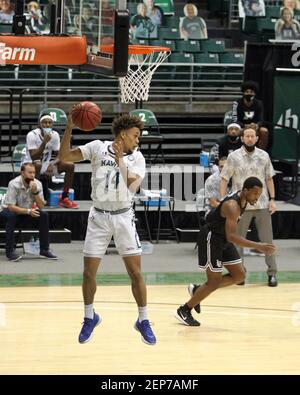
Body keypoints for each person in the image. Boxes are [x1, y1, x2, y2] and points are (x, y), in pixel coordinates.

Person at [59, 112, 156, 346]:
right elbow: (64, 157)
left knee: (136, 273)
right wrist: (70, 129)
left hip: (123, 217)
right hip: (99, 217)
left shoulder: (137, 158)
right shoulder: (97, 147)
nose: (138, 140)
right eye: (135, 136)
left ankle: (143, 320)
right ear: (123, 134)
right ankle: (89, 316)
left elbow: (132, 185)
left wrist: (121, 159)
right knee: (88, 273)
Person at [175, 177, 276, 326]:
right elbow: (233, 236)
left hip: (223, 239)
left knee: (239, 275)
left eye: (259, 194)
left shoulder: (244, 199)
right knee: (213, 282)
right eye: (255, 194)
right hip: (212, 238)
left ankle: (198, 290)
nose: (257, 197)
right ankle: (184, 310)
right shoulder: (232, 205)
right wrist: (259, 246)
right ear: (246, 190)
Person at [220, 127, 278, 287]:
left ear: (257, 138)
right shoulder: (233, 156)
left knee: (267, 240)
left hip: (262, 203)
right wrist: (223, 200)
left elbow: (269, 178)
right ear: (242, 138)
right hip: (240, 206)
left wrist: (273, 199)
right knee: (237, 241)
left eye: (253, 136)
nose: (250, 138)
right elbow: (224, 178)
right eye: (247, 136)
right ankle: (240, 273)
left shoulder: (264, 156)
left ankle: (272, 273)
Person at [0, 163, 58, 261]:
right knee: (11, 216)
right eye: (29, 172)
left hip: (26, 212)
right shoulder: (14, 183)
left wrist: (35, 192)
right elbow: (10, 207)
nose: (32, 175)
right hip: (7, 212)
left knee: (44, 215)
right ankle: (9, 252)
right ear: (22, 173)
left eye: (34, 173)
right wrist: (28, 211)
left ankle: (44, 250)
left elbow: (41, 206)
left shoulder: (38, 184)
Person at [23, 114, 78, 208]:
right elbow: (33, 156)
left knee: (70, 165)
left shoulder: (55, 135)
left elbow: (60, 155)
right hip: (29, 165)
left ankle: (64, 197)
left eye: (50, 122)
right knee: (38, 164)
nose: (47, 125)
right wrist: (44, 142)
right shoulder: (32, 135)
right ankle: (33, 200)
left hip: (45, 165)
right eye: (45, 123)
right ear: (40, 124)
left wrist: (53, 163)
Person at [232, 80, 269, 150]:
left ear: (254, 94)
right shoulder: (236, 103)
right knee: (235, 131)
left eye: (251, 92)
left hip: (254, 127)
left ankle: (261, 153)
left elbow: (261, 119)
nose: (249, 94)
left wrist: (257, 125)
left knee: (264, 131)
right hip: (241, 127)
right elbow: (234, 120)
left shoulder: (259, 103)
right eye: (247, 92)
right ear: (243, 93)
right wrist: (245, 126)